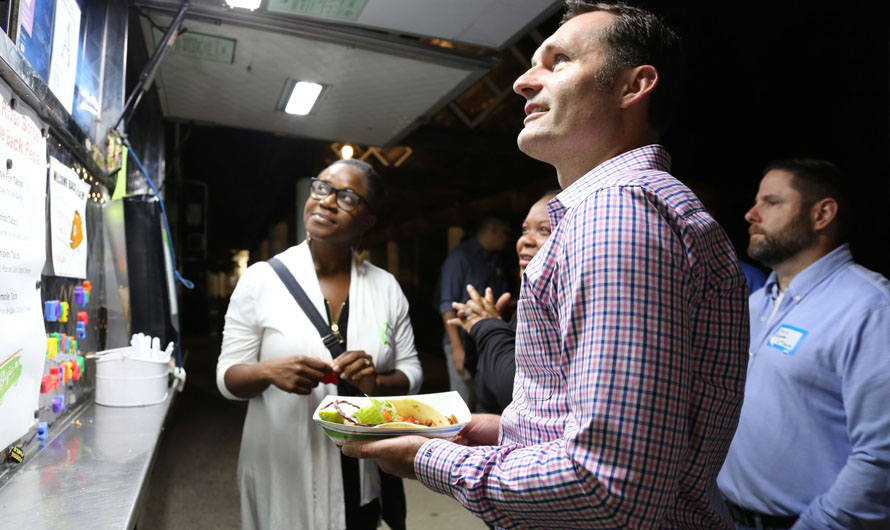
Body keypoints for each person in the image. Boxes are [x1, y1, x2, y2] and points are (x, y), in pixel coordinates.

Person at [343, 3, 749, 528]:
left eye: (557, 62)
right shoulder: (620, 209)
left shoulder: (615, 213)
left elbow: (609, 484)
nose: (522, 82)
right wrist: (505, 430)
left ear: (633, 87)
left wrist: (427, 459)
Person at [216, 159, 423, 530]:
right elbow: (227, 378)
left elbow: (412, 373)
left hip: (361, 471)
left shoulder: (385, 287)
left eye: (347, 197)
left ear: (367, 221)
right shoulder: (261, 280)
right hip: (282, 470)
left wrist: (377, 382)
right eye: (322, 188)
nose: (327, 201)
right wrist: (267, 373)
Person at [718, 159, 890, 529]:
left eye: (772, 202)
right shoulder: (753, 304)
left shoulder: (871, 308)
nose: (751, 214)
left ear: (822, 214)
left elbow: (882, 454)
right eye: (755, 201)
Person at [448, 191, 559, 414]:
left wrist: (489, 327)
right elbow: (488, 377)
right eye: (525, 230)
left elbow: (516, 393)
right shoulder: (528, 305)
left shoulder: (560, 309)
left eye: (543, 230)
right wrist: (484, 329)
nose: (523, 240)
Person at [438, 213, 511, 405]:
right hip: (461, 339)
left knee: (485, 399)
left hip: (487, 339)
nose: (508, 239)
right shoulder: (460, 257)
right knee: (462, 399)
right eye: (505, 233)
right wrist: (456, 348)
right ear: (493, 230)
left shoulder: (495, 260)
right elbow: (447, 304)